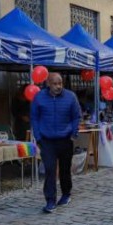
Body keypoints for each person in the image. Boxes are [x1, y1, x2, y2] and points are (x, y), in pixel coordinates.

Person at [31, 72, 81, 213]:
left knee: (65, 169)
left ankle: (66, 194)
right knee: (50, 170)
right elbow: (34, 117)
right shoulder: (39, 97)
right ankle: (50, 200)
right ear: (48, 84)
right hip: (46, 140)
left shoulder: (70, 97)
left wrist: (73, 133)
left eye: (60, 83)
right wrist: (38, 137)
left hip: (65, 139)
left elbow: (76, 116)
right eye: (55, 83)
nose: (58, 86)